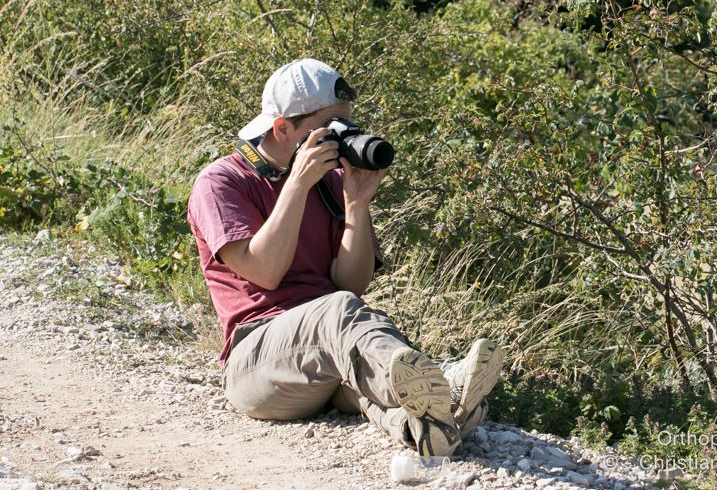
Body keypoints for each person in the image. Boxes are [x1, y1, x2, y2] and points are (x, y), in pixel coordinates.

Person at [187, 58, 503, 457]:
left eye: (346, 128)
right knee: (339, 311)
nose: (340, 141)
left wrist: (356, 204)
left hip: (320, 361)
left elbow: (351, 284)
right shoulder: (222, 181)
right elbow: (265, 273)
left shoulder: (332, 182)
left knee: (359, 368)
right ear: (283, 128)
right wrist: (296, 185)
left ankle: (429, 430)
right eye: (328, 130)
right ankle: (444, 379)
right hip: (256, 362)